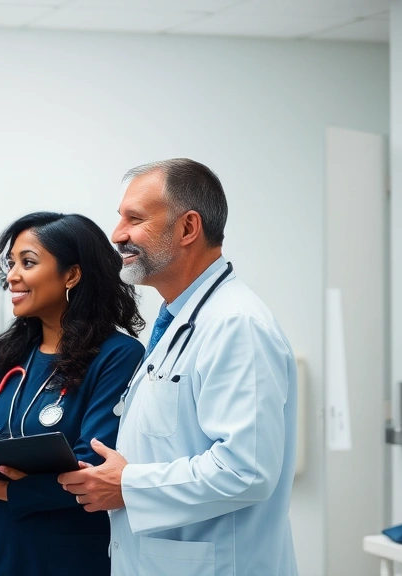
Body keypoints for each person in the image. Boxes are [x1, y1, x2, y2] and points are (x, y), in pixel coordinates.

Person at [58, 159, 299, 576]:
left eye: (135, 219)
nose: (118, 235)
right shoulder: (180, 321)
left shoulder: (236, 324)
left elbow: (247, 470)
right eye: (120, 219)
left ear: (188, 228)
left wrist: (127, 485)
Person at [0, 212, 144, 575]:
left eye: (28, 262)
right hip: (2, 551)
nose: (11, 276)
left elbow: (92, 466)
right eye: (11, 264)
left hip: (73, 553)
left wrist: (6, 488)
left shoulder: (118, 355)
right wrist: (29, 478)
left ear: (71, 274)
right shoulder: (3, 356)